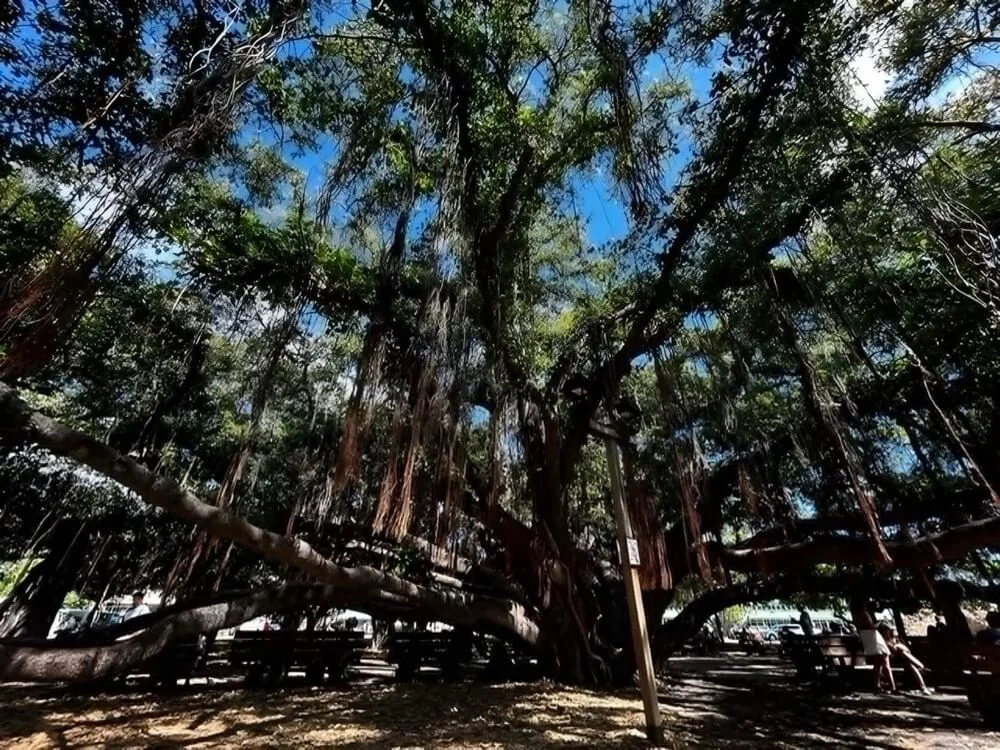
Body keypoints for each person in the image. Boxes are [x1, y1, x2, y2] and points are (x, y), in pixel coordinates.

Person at [852, 600, 895, 693]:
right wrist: (880, 622)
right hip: (874, 638)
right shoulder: (865, 614)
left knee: (877, 663)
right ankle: (892, 686)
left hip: (867, 638)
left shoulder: (855, 615)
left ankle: (877, 685)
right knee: (885, 660)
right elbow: (871, 626)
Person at [879, 623, 932, 695]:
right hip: (893, 659)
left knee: (909, 662)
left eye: (887, 630)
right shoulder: (883, 641)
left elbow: (907, 650)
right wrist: (896, 646)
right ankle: (921, 667)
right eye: (885, 631)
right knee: (903, 653)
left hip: (904, 659)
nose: (887, 632)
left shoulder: (895, 639)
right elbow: (893, 651)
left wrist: (898, 645)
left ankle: (923, 687)